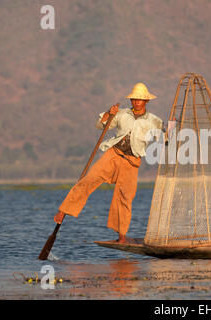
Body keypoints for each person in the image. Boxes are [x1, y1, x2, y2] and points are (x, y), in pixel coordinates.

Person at [53, 83, 163, 243]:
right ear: (131, 100)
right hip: (113, 155)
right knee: (90, 179)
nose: (137, 102)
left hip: (132, 162)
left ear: (146, 101)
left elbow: (165, 136)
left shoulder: (154, 120)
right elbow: (101, 125)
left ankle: (122, 235)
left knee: (125, 197)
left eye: (140, 100)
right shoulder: (122, 114)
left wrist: (171, 128)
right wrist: (108, 114)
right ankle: (64, 211)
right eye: (134, 99)